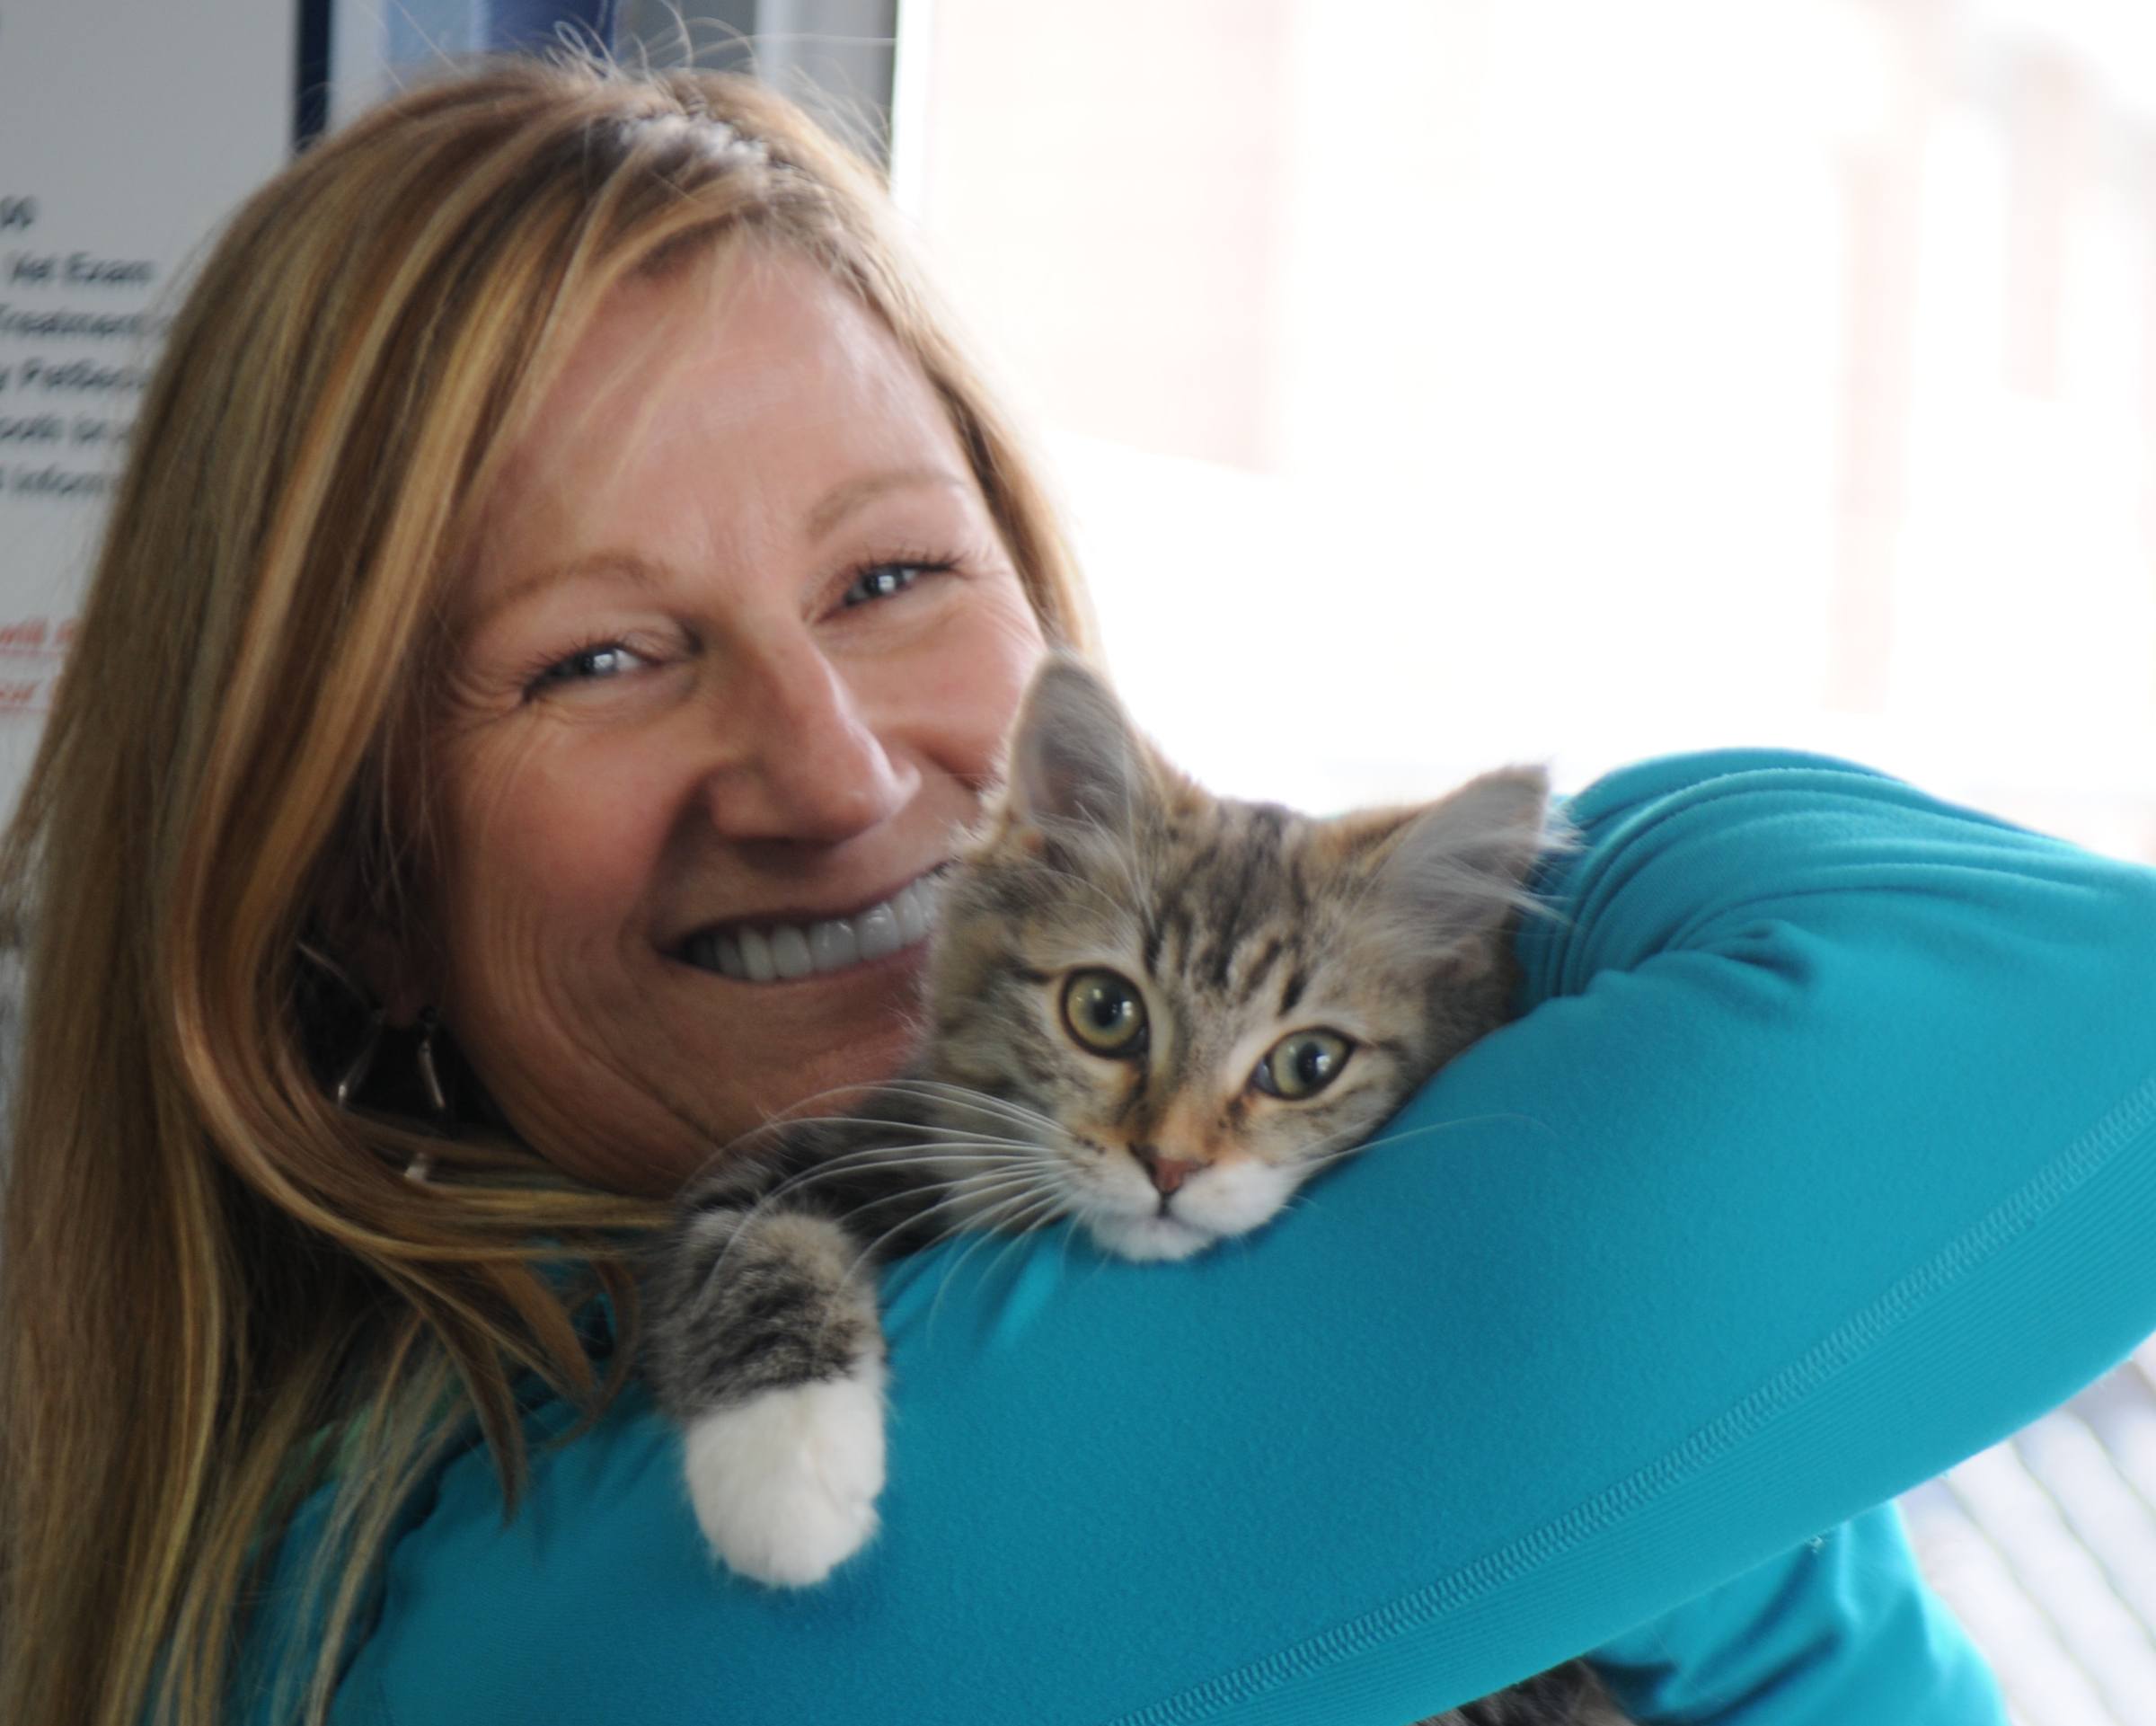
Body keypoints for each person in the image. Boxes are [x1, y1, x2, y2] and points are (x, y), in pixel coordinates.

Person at [3, 52, 2152, 1726]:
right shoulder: (634, 1573)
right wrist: (1572, 909)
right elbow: (2074, 1010)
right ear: (352, 880)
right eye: (600, 656)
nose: (839, 777)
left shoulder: (327, 1509)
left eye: (892, 576)